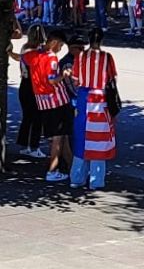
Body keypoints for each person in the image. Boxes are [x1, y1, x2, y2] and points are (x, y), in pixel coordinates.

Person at [70, 29, 119, 190]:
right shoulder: (107, 58)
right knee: (99, 141)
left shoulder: (81, 57)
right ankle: (96, 181)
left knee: (81, 139)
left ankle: (77, 178)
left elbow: (76, 80)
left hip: (84, 99)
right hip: (100, 100)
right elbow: (113, 79)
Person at [32, 30, 72, 182]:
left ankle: (73, 167)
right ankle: (52, 170)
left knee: (62, 137)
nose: (60, 49)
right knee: (59, 137)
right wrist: (64, 74)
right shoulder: (52, 58)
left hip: (43, 102)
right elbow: (52, 80)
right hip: (57, 101)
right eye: (60, 45)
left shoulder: (36, 55)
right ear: (54, 43)